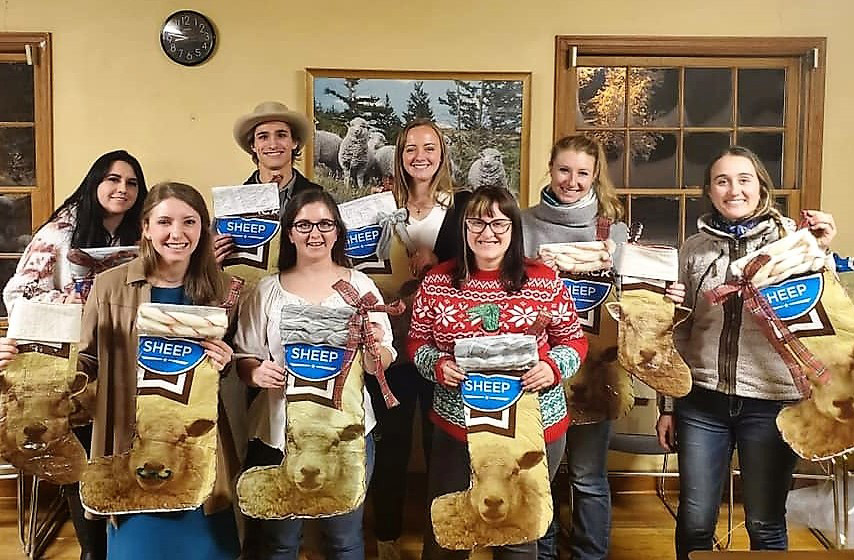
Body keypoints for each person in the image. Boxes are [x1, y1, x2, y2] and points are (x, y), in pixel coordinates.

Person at [655, 146, 837, 560]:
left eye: (743, 180)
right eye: (722, 181)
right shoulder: (693, 251)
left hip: (773, 403)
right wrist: (667, 405)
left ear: (760, 187)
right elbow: (677, 332)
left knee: (765, 521)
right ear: (709, 191)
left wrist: (820, 252)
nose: (733, 189)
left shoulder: (792, 243)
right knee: (695, 521)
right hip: (701, 402)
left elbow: (824, 316)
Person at [407, 185, 588, 560]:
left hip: (530, 427)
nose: (487, 232)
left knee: (517, 533)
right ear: (463, 228)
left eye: (498, 223)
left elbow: (574, 341)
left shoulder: (543, 279)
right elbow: (416, 342)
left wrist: (552, 368)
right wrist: (437, 365)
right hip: (459, 429)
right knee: (450, 530)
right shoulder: (438, 281)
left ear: (513, 228)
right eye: (477, 222)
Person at [234, 188, 396, 560]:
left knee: (344, 537)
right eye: (303, 224)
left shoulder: (360, 287)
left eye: (324, 223)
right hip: (278, 432)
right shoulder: (266, 291)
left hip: (347, 434)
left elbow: (383, 358)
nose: (315, 233)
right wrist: (256, 373)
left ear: (338, 231)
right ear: (288, 232)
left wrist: (374, 353)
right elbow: (244, 357)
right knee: (280, 539)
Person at [0, 149, 147, 560]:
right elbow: (17, 293)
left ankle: (123, 539)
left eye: (132, 182)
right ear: (94, 182)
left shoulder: (143, 232)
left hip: (127, 356)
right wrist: (68, 299)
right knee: (80, 452)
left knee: (125, 448)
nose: (122, 189)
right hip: (73, 360)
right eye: (113, 179)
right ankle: (92, 549)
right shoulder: (60, 233)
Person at [79, 182, 238, 559]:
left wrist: (227, 360)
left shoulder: (228, 289)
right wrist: (42, 363)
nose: (177, 233)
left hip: (199, 449)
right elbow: (86, 362)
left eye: (189, 222)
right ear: (146, 228)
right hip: (130, 447)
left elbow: (240, 363)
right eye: (164, 221)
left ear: (203, 229)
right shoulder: (109, 286)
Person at [366, 118, 471, 560]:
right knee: (390, 448)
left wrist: (440, 260)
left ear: (443, 153)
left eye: (429, 147)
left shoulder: (462, 207)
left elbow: (478, 266)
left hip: (442, 351)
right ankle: (387, 539)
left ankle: (442, 540)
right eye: (410, 148)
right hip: (389, 347)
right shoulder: (376, 209)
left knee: (441, 450)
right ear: (399, 155)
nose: (420, 156)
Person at [520, 135, 626, 560]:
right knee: (538, 472)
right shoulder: (523, 223)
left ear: (595, 175)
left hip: (594, 369)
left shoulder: (613, 228)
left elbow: (629, 300)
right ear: (550, 168)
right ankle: (541, 554)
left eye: (583, 173)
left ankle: (589, 555)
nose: (572, 181)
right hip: (537, 367)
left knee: (587, 475)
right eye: (564, 170)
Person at [214, 101, 322, 263]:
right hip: (250, 287)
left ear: (294, 142)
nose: (273, 144)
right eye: (263, 137)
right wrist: (210, 258)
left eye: (281, 135)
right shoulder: (232, 205)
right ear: (253, 145)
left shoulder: (319, 199)